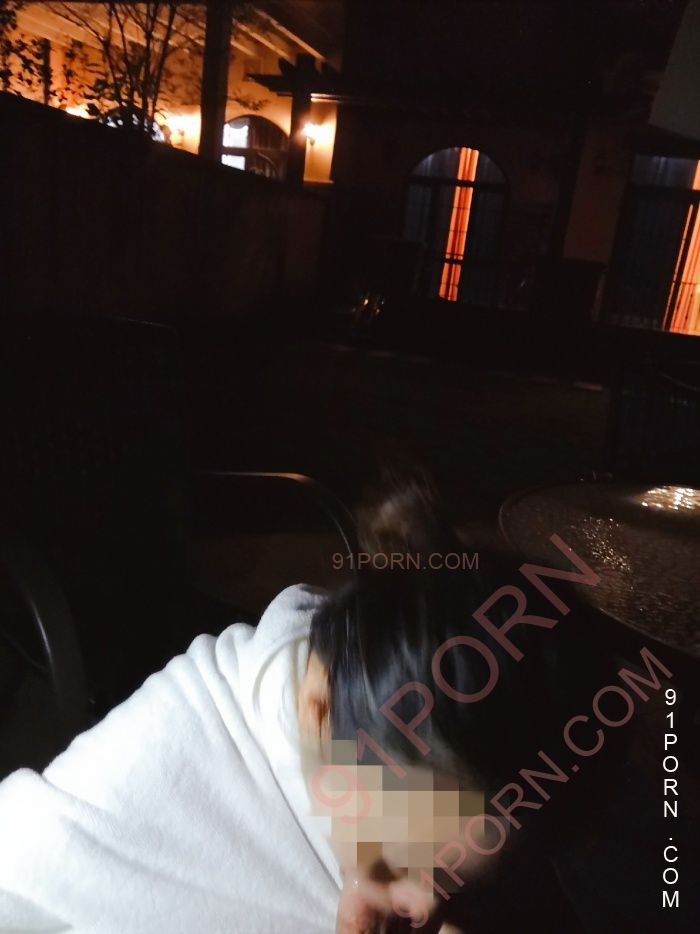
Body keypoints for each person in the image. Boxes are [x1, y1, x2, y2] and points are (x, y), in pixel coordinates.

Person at [0, 479, 695, 933]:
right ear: (316, 711)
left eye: (451, 874)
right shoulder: (79, 829)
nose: (422, 904)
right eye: (405, 863)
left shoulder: (370, 687)